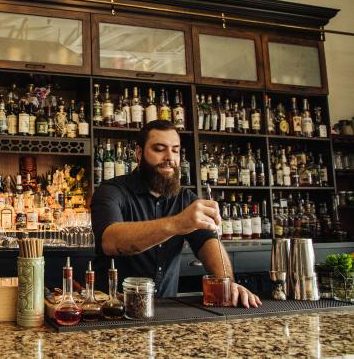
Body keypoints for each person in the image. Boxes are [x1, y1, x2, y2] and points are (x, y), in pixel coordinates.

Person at [91, 120, 261, 308]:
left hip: (165, 311)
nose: (169, 157)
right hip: (113, 310)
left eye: (175, 150)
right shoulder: (111, 191)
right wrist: (178, 223)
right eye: (159, 149)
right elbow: (111, 241)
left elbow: (209, 242)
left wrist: (227, 283)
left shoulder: (186, 199)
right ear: (139, 154)